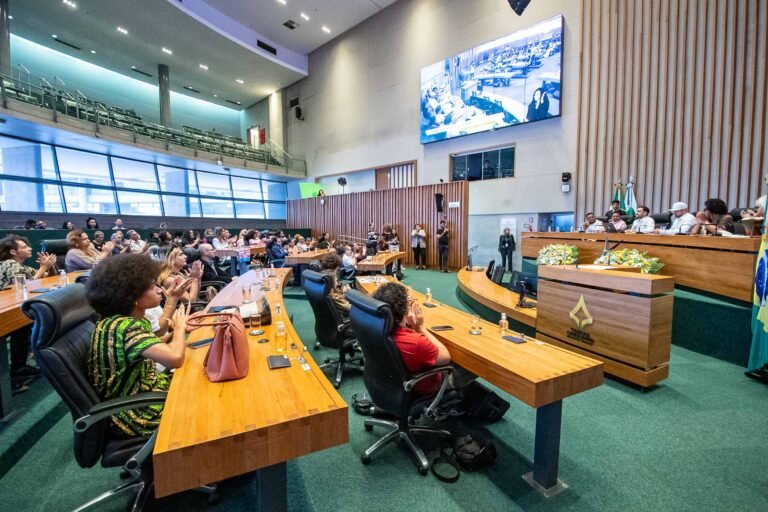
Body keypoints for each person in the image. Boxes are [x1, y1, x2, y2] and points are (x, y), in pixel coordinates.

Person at [86, 253, 190, 438]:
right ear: (131, 296)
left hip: (149, 393)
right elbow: (175, 359)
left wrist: (177, 332)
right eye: (151, 287)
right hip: (138, 413)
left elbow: (155, 340)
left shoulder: (120, 320)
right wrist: (180, 328)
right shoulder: (124, 328)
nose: (159, 290)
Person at [372, 282, 476, 395]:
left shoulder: (376, 328)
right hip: (428, 385)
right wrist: (420, 328)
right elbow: (445, 357)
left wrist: (409, 326)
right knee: (473, 362)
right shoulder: (416, 342)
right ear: (405, 309)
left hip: (394, 382)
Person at [320, 253, 354, 334]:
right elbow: (350, 308)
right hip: (346, 317)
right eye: (336, 280)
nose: (337, 281)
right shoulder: (333, 295)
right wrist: (348, 293)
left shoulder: (324, 279)